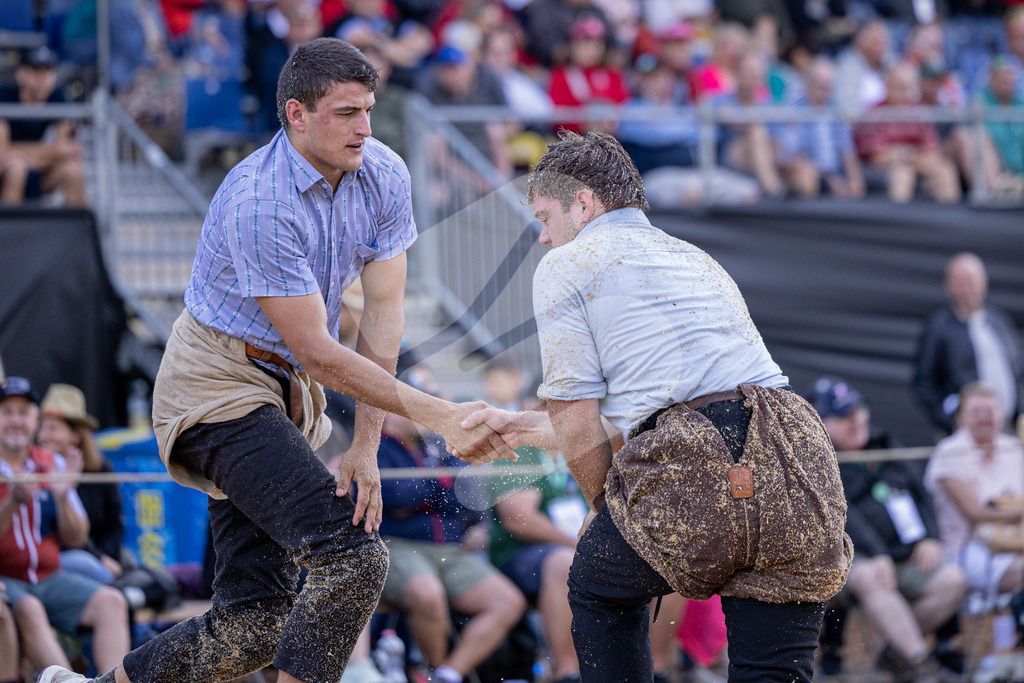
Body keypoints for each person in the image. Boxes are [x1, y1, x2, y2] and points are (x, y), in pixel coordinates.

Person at [37, 37, 514, 683]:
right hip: (216, 385)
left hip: (282, 391)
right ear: (296, 113)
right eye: (346, 112)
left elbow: (382, 316)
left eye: (368, 109)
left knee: (256, 619)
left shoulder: (385, 171)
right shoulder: (259, 200)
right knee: (353, 556)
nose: (365, 127)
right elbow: (318, 350)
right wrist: (442, 413)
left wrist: (368, 444)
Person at [457, 130, 853, 682]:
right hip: (796, 453)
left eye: (546, 217)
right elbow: (672, 403)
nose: (543, 237)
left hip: (697, 462)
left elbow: (583, 420)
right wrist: (519, 427)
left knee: (596, 581)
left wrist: (605, 508)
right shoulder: (693, 255)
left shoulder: (567, 264)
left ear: (584, 203)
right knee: (774, 673)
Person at [811, 377, 965, 682]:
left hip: (905, 554)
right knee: (871, 575)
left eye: (859, 410)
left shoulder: (884, 443)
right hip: (853, 559)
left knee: (953, 580)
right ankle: (920, 664)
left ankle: (896, 650)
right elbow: (844, 514)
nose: (857, 420)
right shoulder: (820, 460)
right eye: (845, 416)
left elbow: (921, 493)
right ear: (823, 424)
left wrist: (930, 538)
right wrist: (878, 553)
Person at [375, 410, 526, 683]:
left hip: (448, 549)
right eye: (408, 409)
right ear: (389, 413)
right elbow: (395, 496)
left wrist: (425, 494)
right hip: (395, 545)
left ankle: (448, 674)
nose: (421, 416)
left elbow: (460, 499)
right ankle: (435, 671)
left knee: (507, 601)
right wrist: (436, 486)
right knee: (427, 593)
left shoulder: (435, 448)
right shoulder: (375, 446)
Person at [0, 377, 132, 676]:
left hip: (48, 576)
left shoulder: (52, 463)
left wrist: (62, 498)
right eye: (7, 412)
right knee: (30, 608)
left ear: (35, 419)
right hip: (7, 579)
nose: (16, 421)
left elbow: (76, 538)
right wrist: (13, 503)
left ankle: (113, 682)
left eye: (24, 412)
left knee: (112, 602)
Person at [924, 383, 1024, 602]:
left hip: (1014, 541)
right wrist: (1017, 512)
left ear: (1001, 414)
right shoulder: (950, 452)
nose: (984, 418)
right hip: (964, 549)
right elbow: (976, 513)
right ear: (961, 417)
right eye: (976, 412)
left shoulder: (1013, 448)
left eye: (989, 411)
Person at [913, 252, 1024, 435]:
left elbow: (1018, 369)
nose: (967, 289)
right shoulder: (938, 328)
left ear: (984, 281)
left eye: (971, 280)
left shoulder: (999, 321)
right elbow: (924, 384)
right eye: (960, 282)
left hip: (1009, 428)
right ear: (948, 285)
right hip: (966, 434)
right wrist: (950, 420)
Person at [36, 384, 125, 585]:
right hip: (63, 556)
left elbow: (114, 526)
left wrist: (107, 557)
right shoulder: (36, 470)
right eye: (42, 427)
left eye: (53, 428)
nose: (44, 436)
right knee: (88, 567)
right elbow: (53, 533)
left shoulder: (101, 469)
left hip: (102, 555)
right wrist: (98, 558)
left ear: (75, 435)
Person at [852, 62, 961, 204]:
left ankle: (949, 219)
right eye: (898, 87)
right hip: (882, 169)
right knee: (903, 174)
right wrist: (910, 155)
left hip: (913, 162)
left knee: (946, 170)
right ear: (887, 86)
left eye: (906, 88)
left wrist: (908, 155)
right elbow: (878, 158)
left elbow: (933, 151)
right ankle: (898, 224)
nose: (902, 93)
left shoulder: (918, 112)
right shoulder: (875, 114)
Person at [0, 46, 86, 207]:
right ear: (22, 75)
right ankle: (9, 231)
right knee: (16, 168)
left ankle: (75, 230)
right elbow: (2, 153)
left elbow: (65, 150)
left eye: (48, 72)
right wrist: (49, 152)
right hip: (7, 173)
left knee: (73, 171)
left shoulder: (59, 97)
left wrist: (21, 153)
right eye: (37, 72)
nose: (43, 79)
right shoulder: (4, 96)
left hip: (42, 173)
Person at [776, 56, 865, 199]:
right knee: (805, 176)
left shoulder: (836, 111)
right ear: (807, 85)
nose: (824, 94)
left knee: (855, 186)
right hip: (809, 173)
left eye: (828, 89)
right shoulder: (793, 112)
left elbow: (847, 151)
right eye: (821, 87)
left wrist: (855, 180)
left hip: (835, 175)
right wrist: (825, 178)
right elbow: (789, 155)